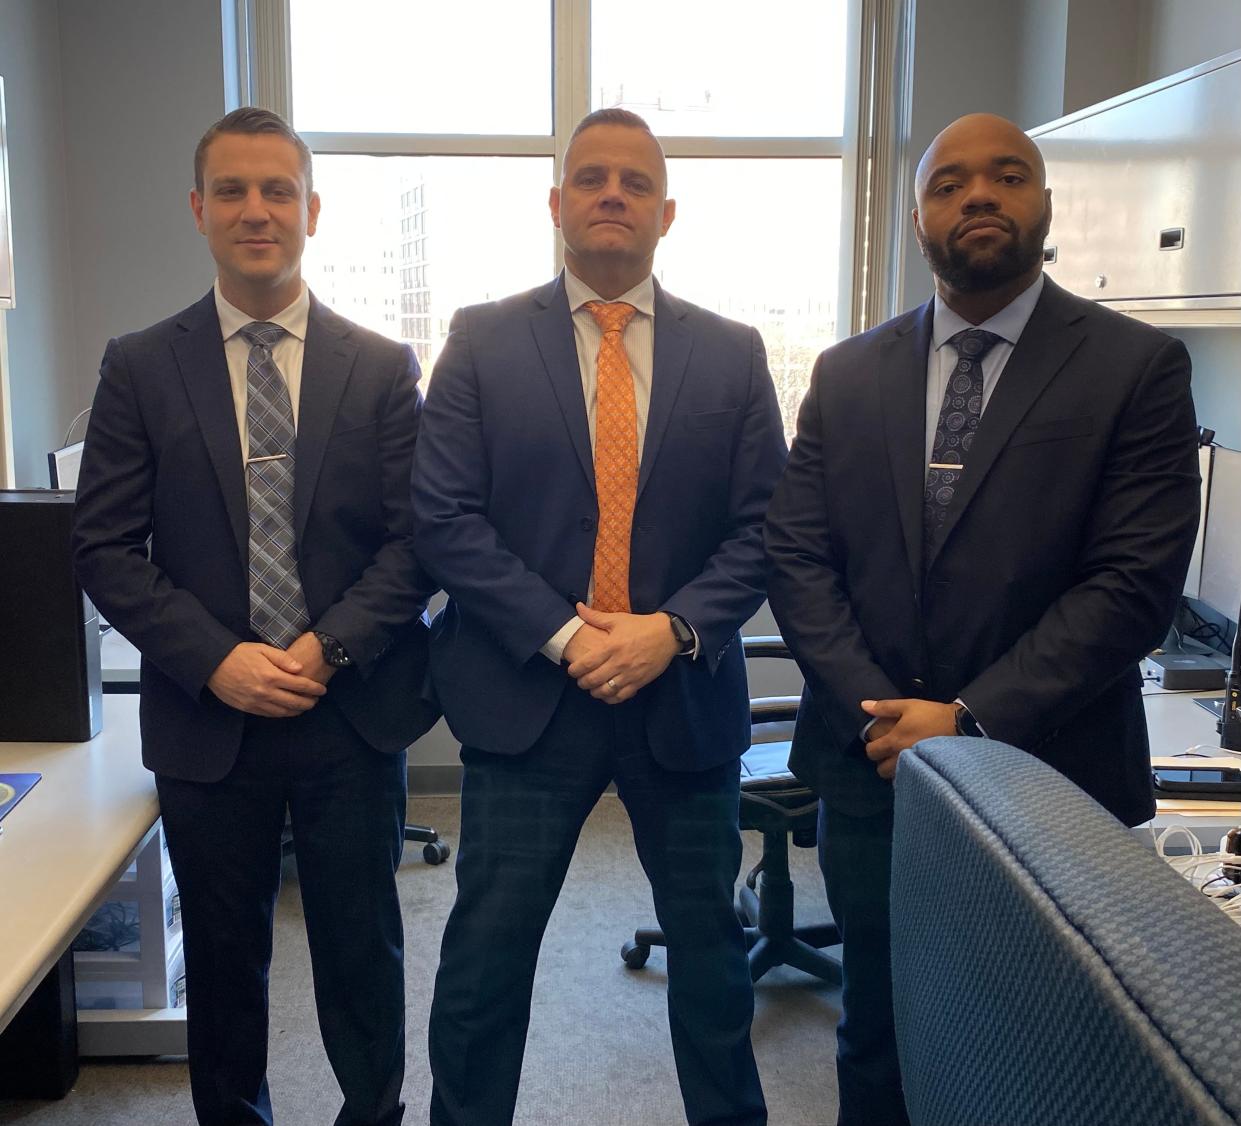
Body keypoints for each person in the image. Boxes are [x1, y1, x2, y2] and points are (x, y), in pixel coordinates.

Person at [764, 112, 1201, 1126]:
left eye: (1006, 176)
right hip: (870, 769)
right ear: (916, 215)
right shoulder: (845, 373)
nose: (976, 195)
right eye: (948, 182)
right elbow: (796, 554)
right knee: (873, 1025)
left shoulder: (1134, 368)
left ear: (1042, 205)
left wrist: (964, 718)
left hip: (1053, 776)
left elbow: (1130, 585)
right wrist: (883, 710)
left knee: (1037, 1048)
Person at [412, 107, 786, 1126]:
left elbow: (765, 529)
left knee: (712, 961)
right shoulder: (481, 341)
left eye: (632, 180)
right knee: (485, 961)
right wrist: (571, 633)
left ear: (667, 211)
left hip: (682, 698)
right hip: (528, 697)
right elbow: (442, 515)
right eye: (590, 178)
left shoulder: (731, 353)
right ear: (555, 204)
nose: (610, 194)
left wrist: (668, 629)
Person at [72, 107, 438, 1126]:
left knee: (361, 955)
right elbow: (102, 546)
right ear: (198, 209)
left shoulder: (379, 368)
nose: (255, 210)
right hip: (208, 719)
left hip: (347, 710)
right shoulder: (140, 366)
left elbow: (416, 545)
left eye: (277, 189)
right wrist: (216, 659)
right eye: (231, 191)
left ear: (312, 209)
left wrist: (323, 645)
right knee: (227, 968)